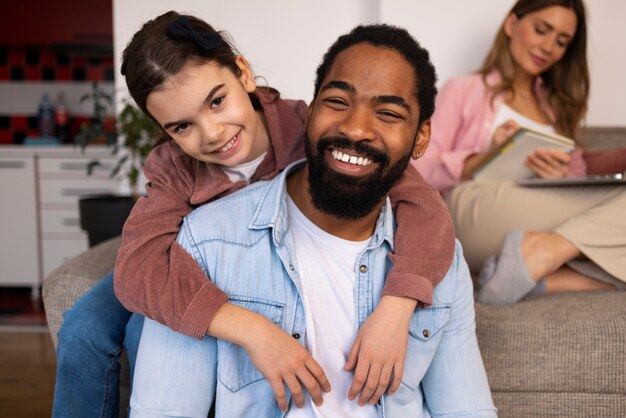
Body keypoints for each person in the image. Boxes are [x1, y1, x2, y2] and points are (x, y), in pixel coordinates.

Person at [52, 11, 457, 417]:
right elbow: (140, 265)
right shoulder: (174, 167)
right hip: (192, 272)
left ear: (243, 74)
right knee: (87, 328)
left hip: (257, 274)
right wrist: (253, 330)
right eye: (181, 126)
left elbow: (425, 206)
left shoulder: (312, 129)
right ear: (163, 129)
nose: (212, 133)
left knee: (146, 333)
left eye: (217, 101)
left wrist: (398, 304)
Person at [415, 0, 626, 305]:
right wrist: (488, 154)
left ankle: (549, 274)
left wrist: (561, 176)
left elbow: (580, 186)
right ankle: (544, 251)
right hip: (473, 210)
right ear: (512, 24)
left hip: (539, 213)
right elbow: (417, 170)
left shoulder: (556, 109)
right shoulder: (465, 90)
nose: (549, 47)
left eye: (562, 41)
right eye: (542, 30)